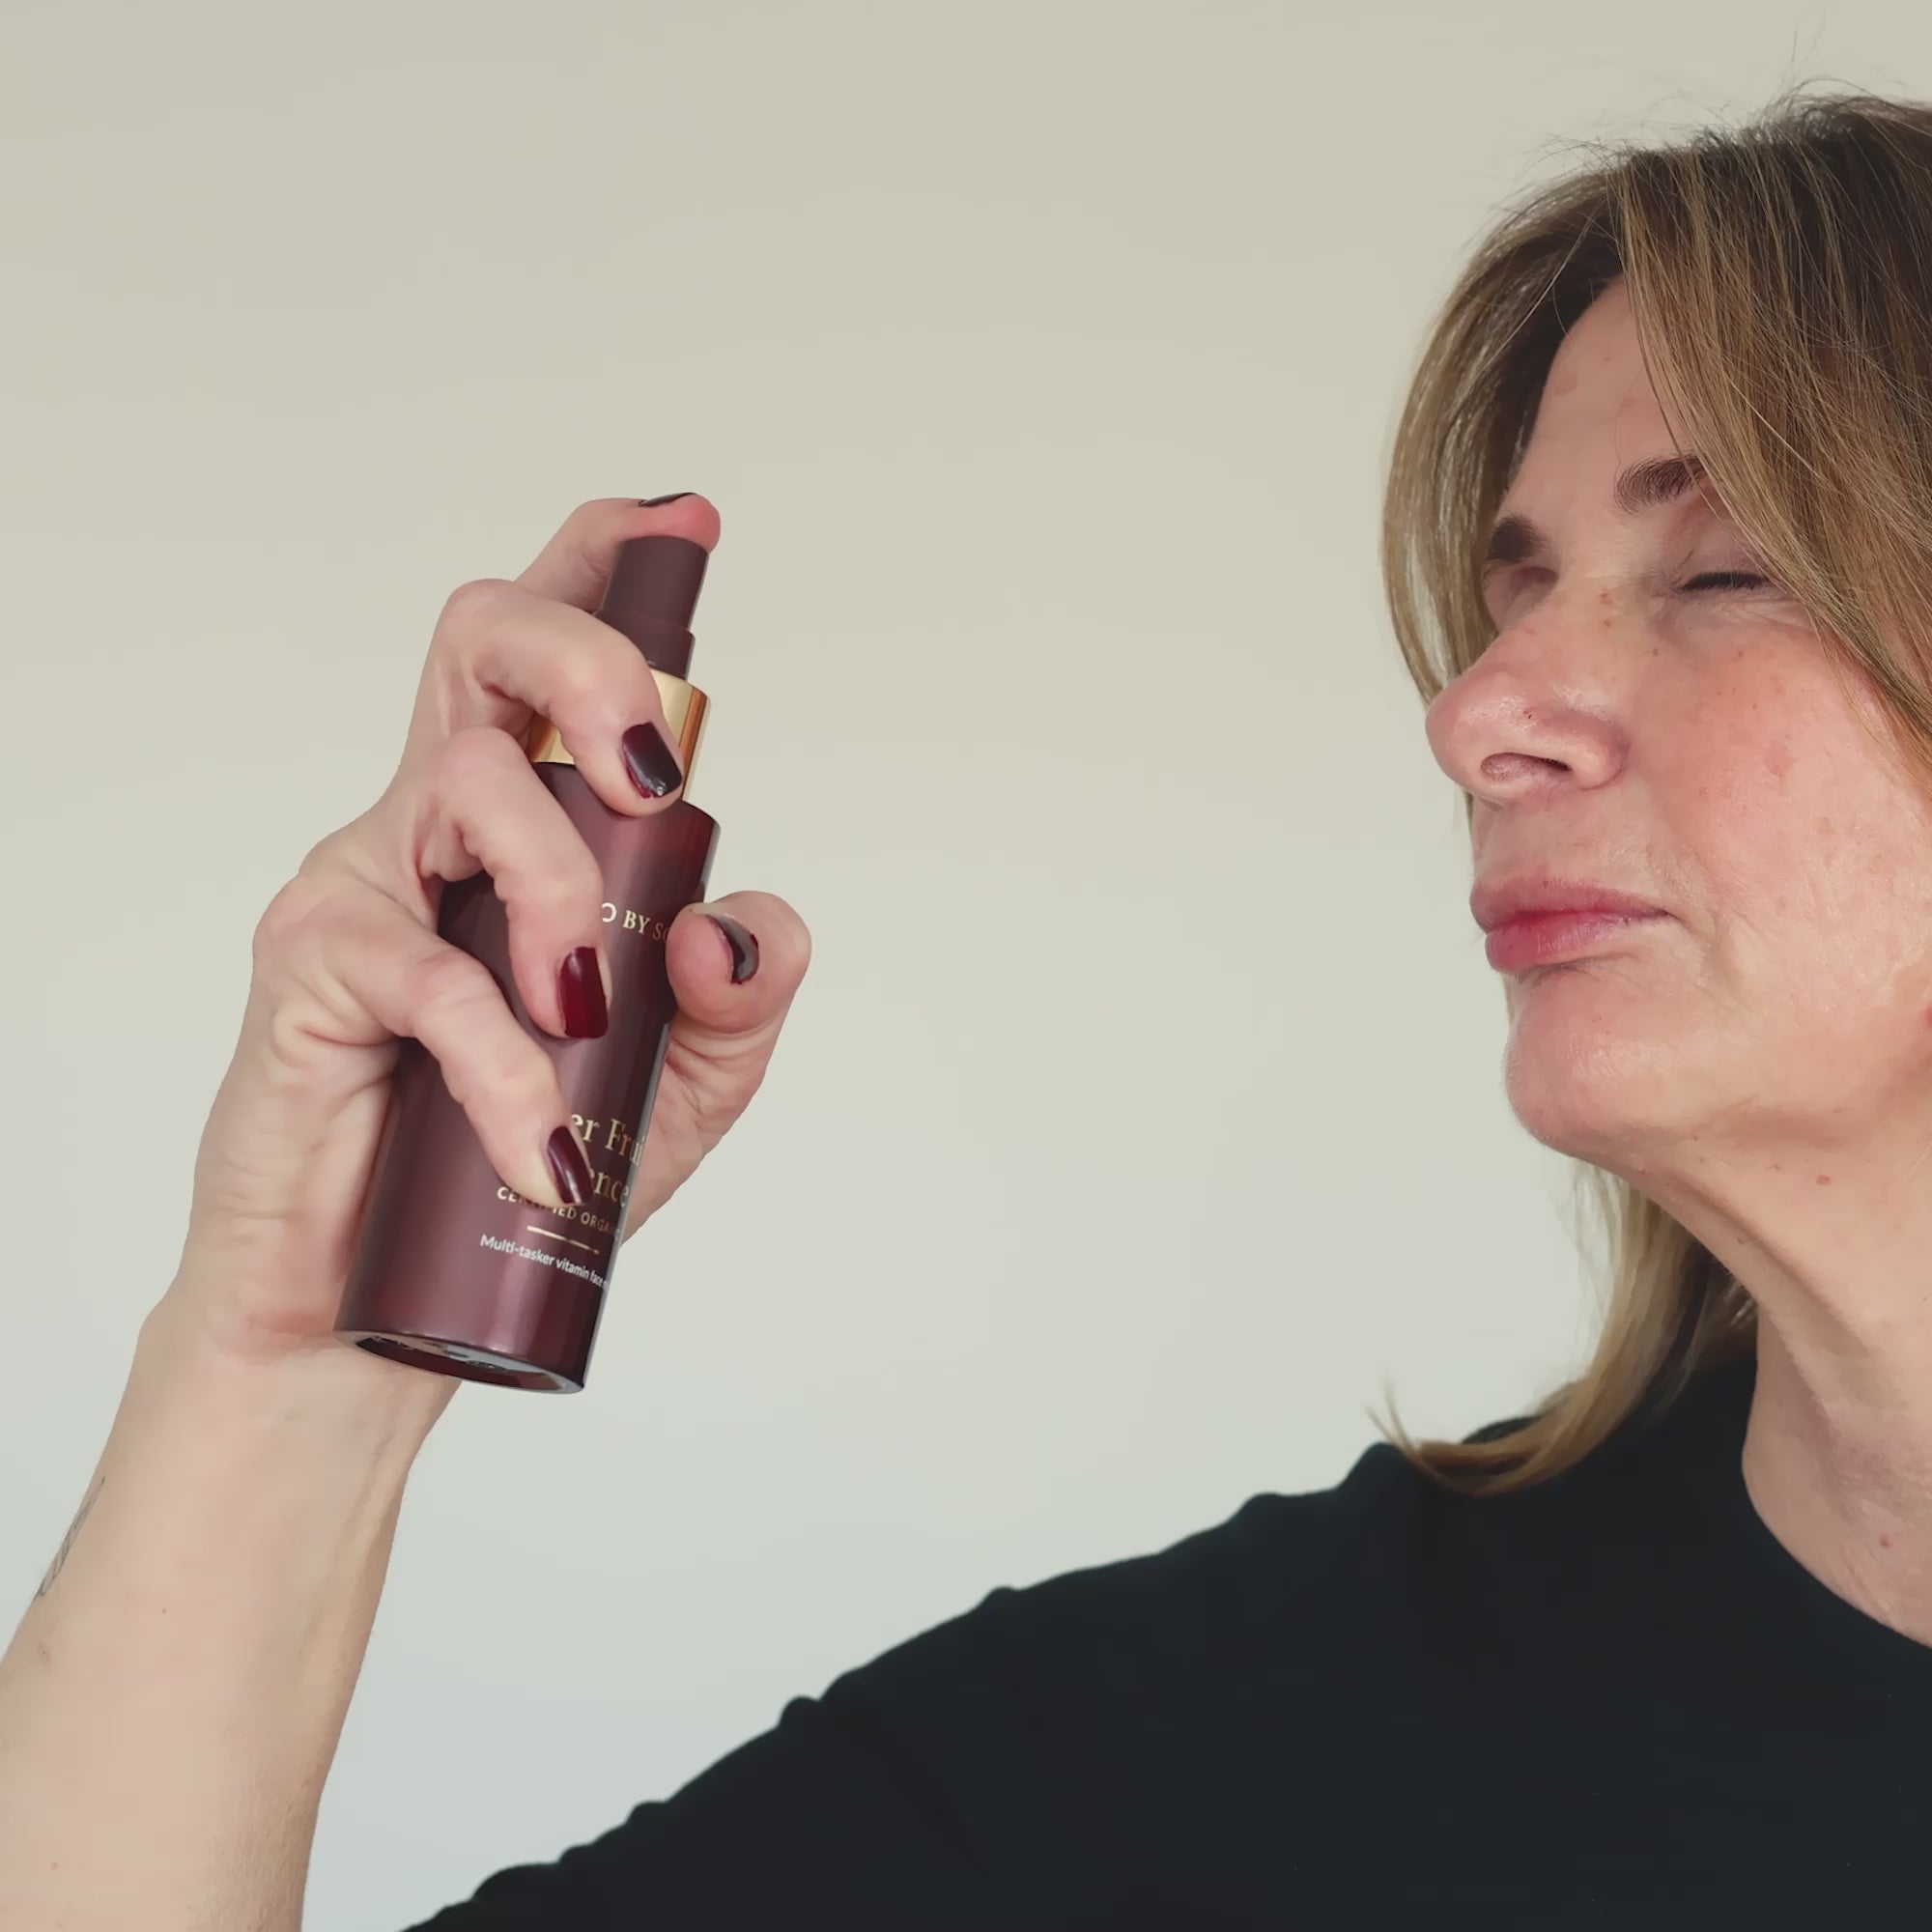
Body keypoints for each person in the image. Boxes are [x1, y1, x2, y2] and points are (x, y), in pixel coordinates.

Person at [8, 82, 1932, 1928]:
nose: (1474, 710)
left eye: (1723, 567)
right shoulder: (1230, 1751)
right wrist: (283, 1376)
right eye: (1513, 592)